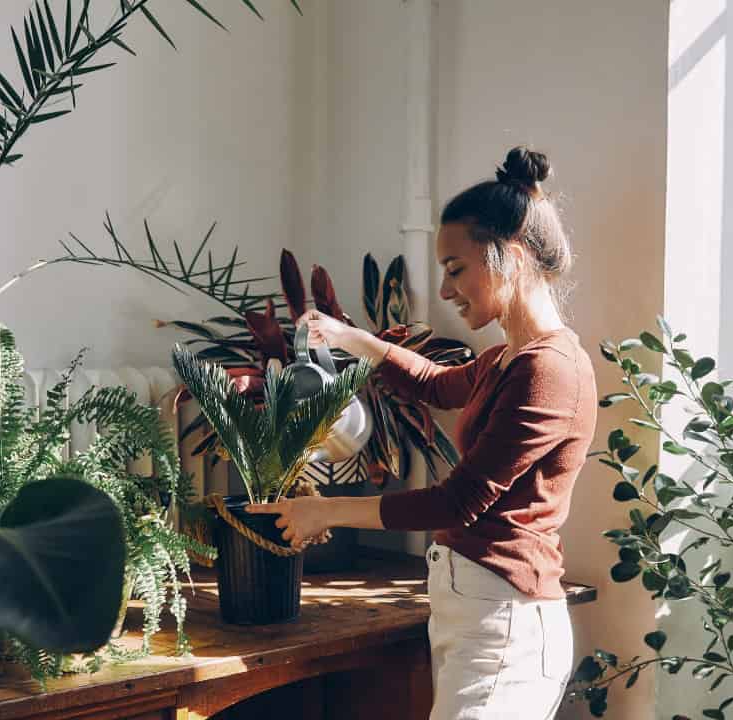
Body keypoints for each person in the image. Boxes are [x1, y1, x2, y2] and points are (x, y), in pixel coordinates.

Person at [247, 147, 597, 719]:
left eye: (456, 268)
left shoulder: (548, 369)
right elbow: (435, 386)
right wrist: (351, 338)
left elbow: (460, 501)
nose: (445, 290)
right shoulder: (510, 359)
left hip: (505, 621)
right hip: (482, 614)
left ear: (508, 256)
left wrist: (326, 512)